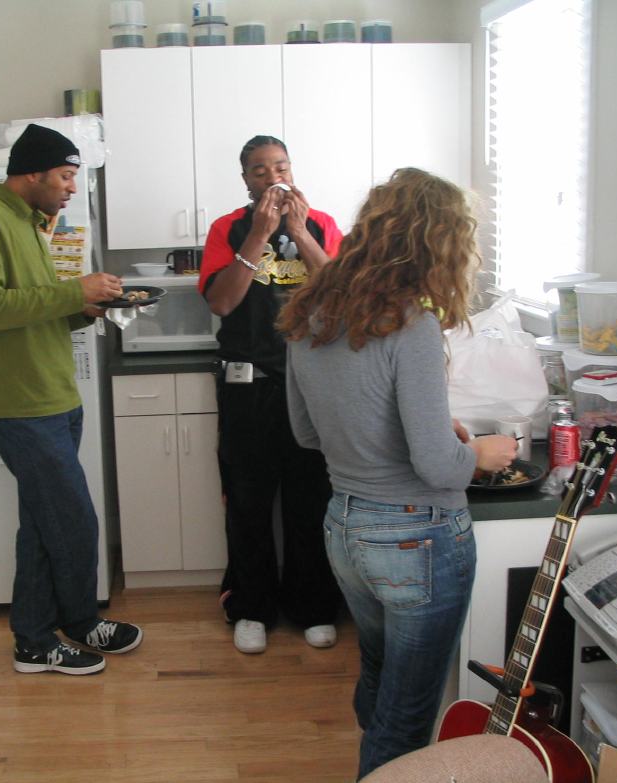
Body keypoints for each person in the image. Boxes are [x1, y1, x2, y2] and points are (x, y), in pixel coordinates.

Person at [278, 168, 517, 777]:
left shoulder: (309, 313)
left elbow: (309, 434)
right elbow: (437, 465)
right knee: (407, 719)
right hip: (418, 537)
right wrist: (481, 455)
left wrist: (436, 433)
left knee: (381, 677)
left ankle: (376, 760)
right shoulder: (411, 324)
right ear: (436, 243)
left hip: (346, 527)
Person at [0, 124, 142, 676]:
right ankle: (49, 632)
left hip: (52, 392)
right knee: (74, 521)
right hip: (17, 401)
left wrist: (84, 307)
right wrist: (73, 292)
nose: (71, 188)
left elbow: (28, 304)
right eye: (64, 175)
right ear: (31, 174)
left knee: (43, 521)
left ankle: (56, 632)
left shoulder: (30, 223)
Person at [198, 135, 343, 654]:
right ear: (246, 180)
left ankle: (313, 606)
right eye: (260, 170)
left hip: (312, 383)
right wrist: (258, 233)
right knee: (248, 500)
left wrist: (300, 233)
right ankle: (251, 607)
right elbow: (221, 302)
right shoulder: (227, 228)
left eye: (280, 166)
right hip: (247, 381)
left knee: (311, 499)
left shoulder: (322, 223)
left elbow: (339, 294)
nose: (272, 177)